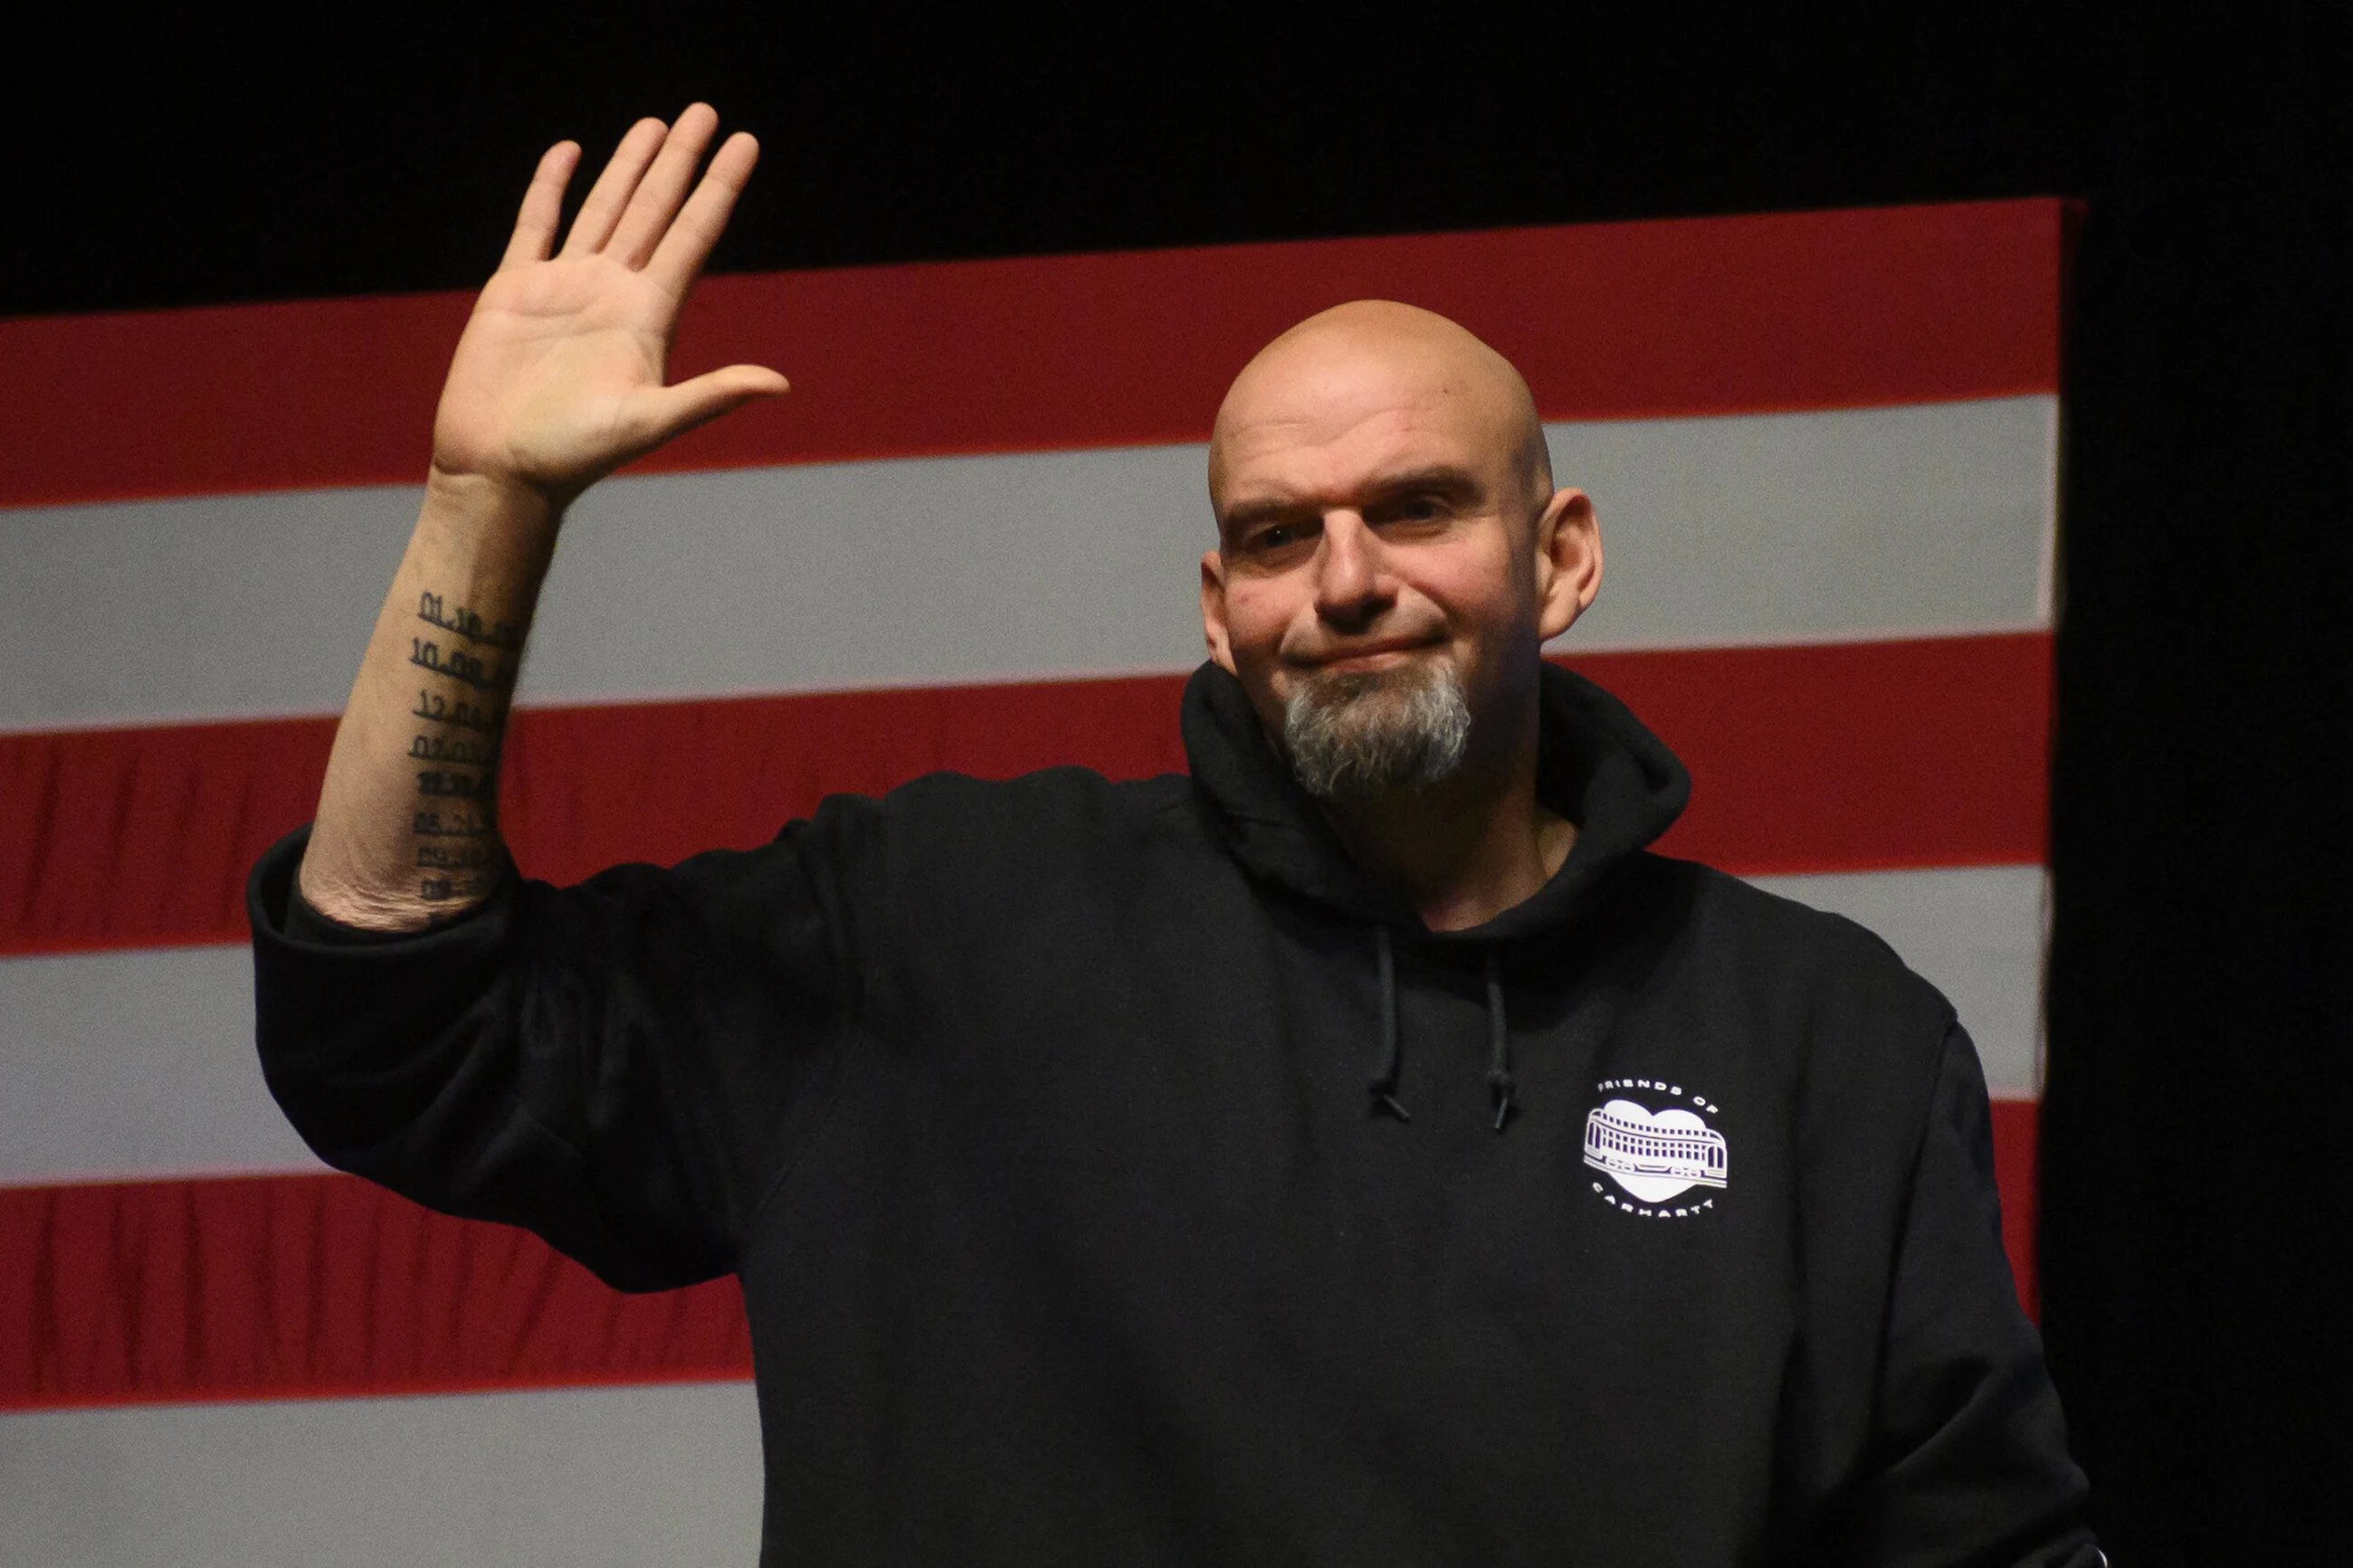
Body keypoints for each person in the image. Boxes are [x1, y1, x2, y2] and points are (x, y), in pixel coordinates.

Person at [248, 105, 2103, 1565]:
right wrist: (483, 505)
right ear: (1217, 609)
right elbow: (399, 1022)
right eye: (1282, 536)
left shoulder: (1821, 1043)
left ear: (1563, 558)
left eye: (1417, 506)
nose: (1350, 580)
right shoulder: (930, 930)